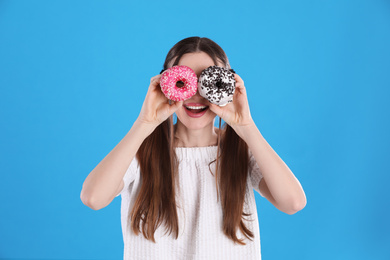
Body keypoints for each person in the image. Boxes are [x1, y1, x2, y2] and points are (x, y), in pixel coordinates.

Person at [80, 36, 306, 260]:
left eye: (209, 82)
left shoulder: (240, 150)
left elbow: (293, 202)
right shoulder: (140, 150)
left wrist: (246, 126)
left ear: (227, 87)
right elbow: (93, 198)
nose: (197, 94)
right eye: (183, 82)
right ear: (164, 86)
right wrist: (144, 124)